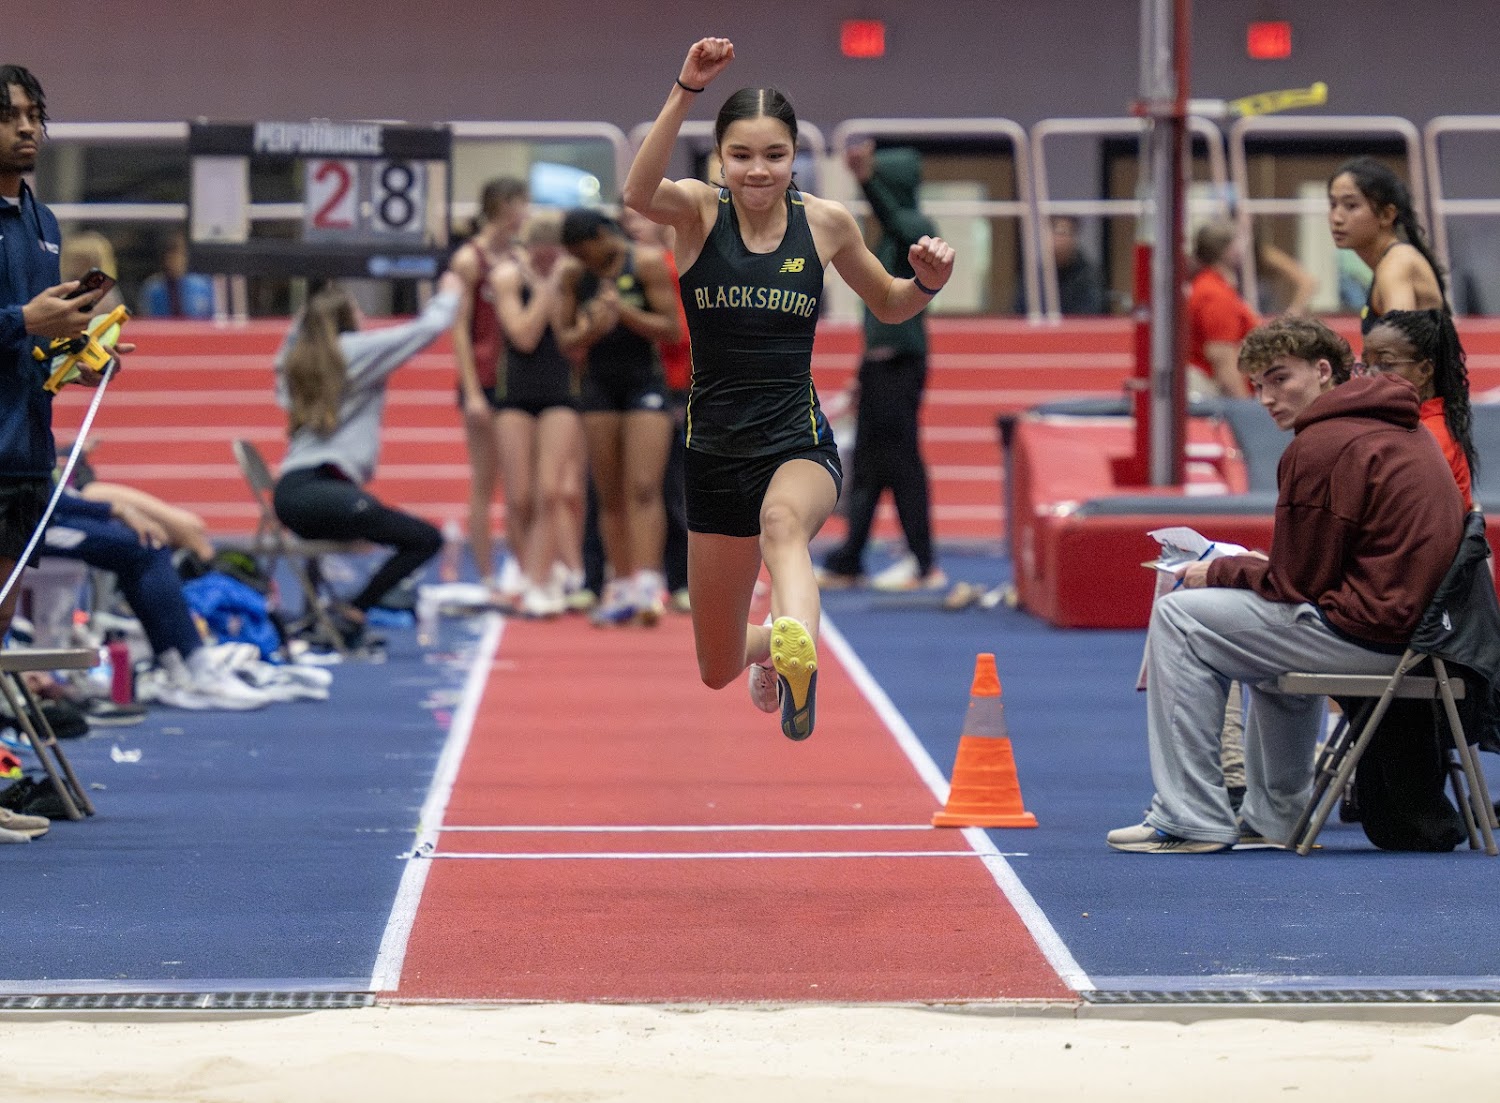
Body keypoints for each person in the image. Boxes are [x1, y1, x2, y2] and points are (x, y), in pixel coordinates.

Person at [622, 38, 954, 741]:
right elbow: (637, 195)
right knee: (715, 664)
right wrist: (685, 88)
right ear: (720, 159)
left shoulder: (825, 223)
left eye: (774, 154)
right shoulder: (696, 212)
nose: (758, 170)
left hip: (796, 443)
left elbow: (890, 302)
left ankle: (801, 657)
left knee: (782, 525)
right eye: (741, 154)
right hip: (714, 456)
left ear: (795, 156)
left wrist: (926, 283)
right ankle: (776, 642)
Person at [1108, 316, 1464, 852]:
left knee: (1182, 616)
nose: (1267, 398)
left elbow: (1295, 583)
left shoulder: (1323, 443)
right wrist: (1257, 570)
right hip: (1416, 632)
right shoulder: (1395, 425)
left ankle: (1189, 818)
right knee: (1261, 632)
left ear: (1323, 370)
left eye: (1279, 379)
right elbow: (1314, 573)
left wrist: (1218, 569)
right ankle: (1276, 819)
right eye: (1257, 386)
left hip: (1376, 634)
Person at [0, 65, 131, 843]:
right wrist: (25, 320)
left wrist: (79, 353)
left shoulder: (43, 221)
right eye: (9, 115)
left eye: (35, 114)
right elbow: (20, 322)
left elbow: (37, 342)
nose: (26, 128)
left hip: (27, 451)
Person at [271, 270, 463, 650]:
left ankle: (340, 609)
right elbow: (425, 330)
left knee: (399, 527)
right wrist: (449, 294)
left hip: (295, 494)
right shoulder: (354, 352)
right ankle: (354, 609)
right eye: (356, 311)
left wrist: (305, 320)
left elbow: (285, 355)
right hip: (320, 491)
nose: (362, 317)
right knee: (425, 539)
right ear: (346, 320)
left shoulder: (295, 362)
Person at [819, 141, 945, 593]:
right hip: (878, 368)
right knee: (869, 468)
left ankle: (923, 562)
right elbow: (877, 318)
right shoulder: (886, 238)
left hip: (901, 366)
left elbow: (893, 216)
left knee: (902, 463)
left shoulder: (917, 230)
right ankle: (850, 559)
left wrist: (866, 179)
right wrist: (861, 374)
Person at [556, 208, 680, 626]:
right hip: (598, 385)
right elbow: (566, 339)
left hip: (645, 382)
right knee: (609, 492)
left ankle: (648, 582)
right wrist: (592, 327)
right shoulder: (574, 275)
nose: (583, 260)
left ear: (602, 236)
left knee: (644, 487)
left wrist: (624, 314)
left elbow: (671, 328)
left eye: (585, 251)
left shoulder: (645, 263)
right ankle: (622, 582)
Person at [43, 490, 271, 711]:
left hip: (44, 516)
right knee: (145, 547)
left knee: (147, 542)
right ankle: (194, 666)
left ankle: (180, 669)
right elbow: (45, 496)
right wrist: (116, 510)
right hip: (33, 528)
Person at [489, 210, 585, 617]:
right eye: (540, 253)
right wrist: (546, 288)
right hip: (516, 391)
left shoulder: (572, 279)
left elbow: (569, 337)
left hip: (561, 390)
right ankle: (531, 568)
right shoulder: (507, 277)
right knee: (520, 495)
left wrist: (556, 287)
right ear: (528, 249)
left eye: (555, 254)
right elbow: (524, 336)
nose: (548, 261)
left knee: (550, 490)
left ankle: (539, 576)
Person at [449, 178, 527, 597]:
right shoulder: (469, 260)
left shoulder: (519, 256)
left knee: (519, 483)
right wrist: (472, 391)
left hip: (516, 377)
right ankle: (484, 574)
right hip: (482, 376)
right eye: (522, 204)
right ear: (503, 206)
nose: (526, 213)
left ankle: (521, 567)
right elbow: (459, 329)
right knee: (485, 479)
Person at [620, 207, 692, 613]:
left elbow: (682, 329)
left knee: (674, 488)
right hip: (636, 384)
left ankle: (680, 577)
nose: (634, 226)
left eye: (640, 218)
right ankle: (636, 574)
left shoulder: (673, 263)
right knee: (641, 486)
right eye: (627, 220)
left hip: (675, 383)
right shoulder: (622, 267)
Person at [1357, 309, 1476, 510]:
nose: (1369, 375)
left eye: (1385, 364)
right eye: (1365, 365)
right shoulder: (1402, 424)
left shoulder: (1430, 437)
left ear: (1424, 370)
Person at [1327, 157, 1447, 334]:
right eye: (1333, 205)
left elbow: (1400, 346)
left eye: (1351, 206)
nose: (1336, 218)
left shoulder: (1397, 265)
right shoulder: (1390, 263)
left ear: (1387, 215)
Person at [1186, 219, 1257, 398]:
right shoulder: (1214, 294)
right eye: (1239, 242)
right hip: (1215, 391)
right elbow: (1222, 358)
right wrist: (1244, 407)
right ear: (1228, 250)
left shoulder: (1214, 286)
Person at [137, 229, 215, 319]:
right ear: (164, 258)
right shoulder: (151, 289)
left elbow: (213, 320)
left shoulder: (203, 286)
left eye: (181, 254)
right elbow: (144, 321)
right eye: (172, 255)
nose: (176, 260)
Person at [58, 231, 126, 313]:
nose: (73, 264)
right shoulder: (60, 285)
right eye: (70, 258)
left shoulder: (103, 292)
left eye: (79, 259)